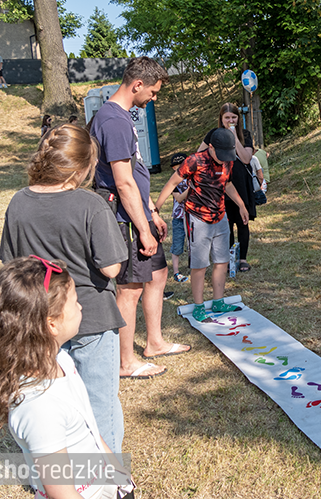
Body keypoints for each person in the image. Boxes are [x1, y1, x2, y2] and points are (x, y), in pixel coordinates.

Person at [0, 124, 129, 452]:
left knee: (43, 399)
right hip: (91, 318)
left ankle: (53, 472)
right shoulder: (91, 204)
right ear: (82, 168)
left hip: (39, 318)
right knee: (100, 402)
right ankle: (105, 476)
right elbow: (111, 267)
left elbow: (10, 264)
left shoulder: (18, 203)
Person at [0, 257, 133, 498]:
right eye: (75, 301)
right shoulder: (39, 407)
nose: (80, 307)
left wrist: (122, 479)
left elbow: (91, 429)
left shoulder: (62, 362)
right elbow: (63, 494)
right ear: (52, 325)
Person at [89, 56, 189, 380]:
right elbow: (122, 181)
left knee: (158, 274)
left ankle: (155, 342)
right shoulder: (113, 121)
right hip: (123, 217)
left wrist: (150, 211)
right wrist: (143, 228)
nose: (153, 99)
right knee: (130, 290)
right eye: (153, 92)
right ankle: (125, 362)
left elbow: (134, 171)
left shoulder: (121, 117)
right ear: (137, 85)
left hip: (137, 212)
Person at [155, 128, 248, 321]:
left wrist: (241, 205)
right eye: (220, 155)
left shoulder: (228, 160)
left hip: (220, 217)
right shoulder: (194, 161)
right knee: (199, 264)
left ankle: (218, 301)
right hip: (198, 218)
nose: (223, 159)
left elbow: (228, 184)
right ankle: (198, 306)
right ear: (211, 147)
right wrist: (156, 208)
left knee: (222, 261)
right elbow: (172, 183)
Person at [197, 103, 256, 272]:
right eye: (227, 118)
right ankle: (229, 257)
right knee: (225, 222)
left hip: (241, 182)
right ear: (221, 119)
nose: (231, 120)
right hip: (221, 182)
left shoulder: (245, 135)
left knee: (242, 221)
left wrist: (234, 138)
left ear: (238, 118)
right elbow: (199, 155)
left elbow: (246, 158)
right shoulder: (213, 135)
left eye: (234, 117)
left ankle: (243, 258)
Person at [168, 152, 190, 283]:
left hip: (193, 215)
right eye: (177, 167)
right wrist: (192, 188)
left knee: (194, 243)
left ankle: (194, 267)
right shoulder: (173, 181)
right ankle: (176, 272)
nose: (180, 169)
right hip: (178, 217)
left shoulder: (193, 177)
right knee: (177, 244)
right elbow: (179, 198)